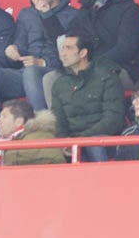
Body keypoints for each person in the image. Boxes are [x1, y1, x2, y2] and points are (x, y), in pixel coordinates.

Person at [0, 0, 75, 114]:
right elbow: (21, 48)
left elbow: (68, 51)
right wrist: (13, 51)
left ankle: (39, 123)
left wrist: (42, 63)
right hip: (25, 72)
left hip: (56, 72)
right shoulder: (26, 14)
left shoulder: (73, 15)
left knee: (31, 72)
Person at [49, 31, 126, 161]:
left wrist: (81, 140)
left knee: (94, 144)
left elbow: (113, 120)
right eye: (62, 48)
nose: (63, 53)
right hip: (73, 143)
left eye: (69, 48)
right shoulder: (59, 84)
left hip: (102, 142)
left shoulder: (107, 78)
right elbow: (58, 121)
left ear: (83, 53)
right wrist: (64, 141)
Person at [69, 0, 139, 82]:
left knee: (95, 77)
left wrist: (92, 65)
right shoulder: (84, 12)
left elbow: (125, 49)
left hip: (122, 68)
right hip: (89, 68)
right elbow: (70, 39)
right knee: (51, 77)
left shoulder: (129, 9)